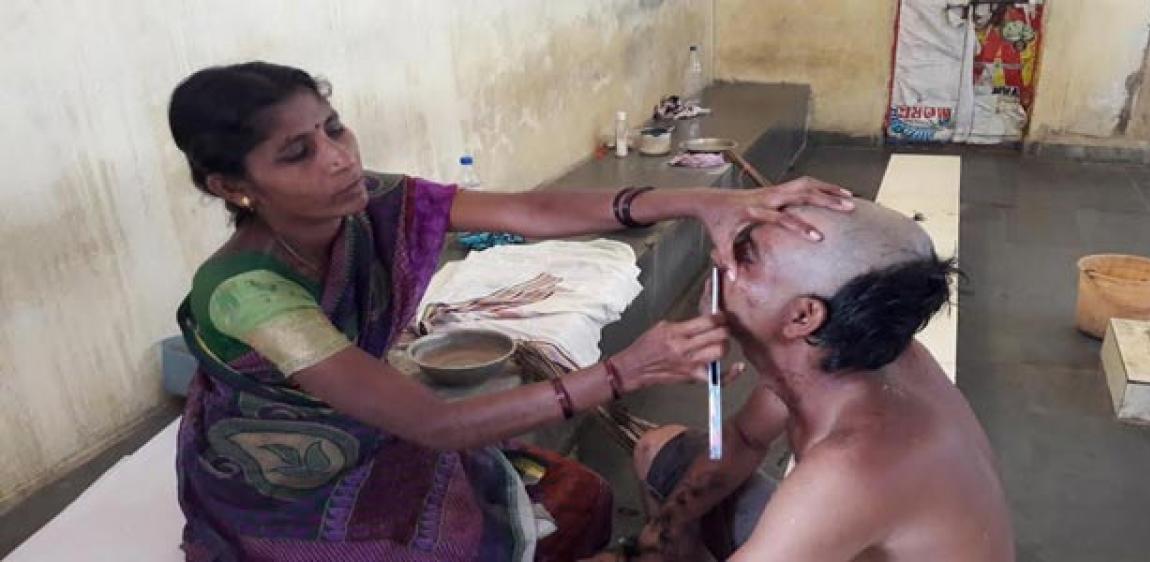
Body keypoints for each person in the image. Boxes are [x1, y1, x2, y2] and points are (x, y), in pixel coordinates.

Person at [167, 61, 854, 561]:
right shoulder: (247, 291)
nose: (340, 159)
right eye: (299, 153)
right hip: (289, 477)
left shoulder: (371, 201)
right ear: (232, 186)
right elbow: (433, 423)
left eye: (334, 128)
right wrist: (624, 371)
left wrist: (700, 200)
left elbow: (529, 210)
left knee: (573, 501)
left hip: (380, 431)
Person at [627, 200, 1013, 561]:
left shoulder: (850, 468)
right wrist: (662, 534)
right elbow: (745, 438)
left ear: (802, 317)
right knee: (658, 450)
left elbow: (831, 482)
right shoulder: (837, 358)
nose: (717, 256)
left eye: (745, 257)